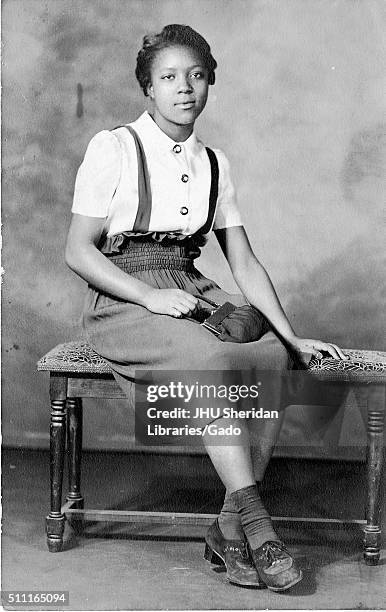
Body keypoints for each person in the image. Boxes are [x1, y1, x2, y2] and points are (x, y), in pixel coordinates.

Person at [65, 24, 347, 592]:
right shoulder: (113, 146)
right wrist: (149, 296)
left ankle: (227, 529)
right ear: (147, 86)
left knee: (269, 356)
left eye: (196, 76)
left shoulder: (215, 162)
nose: (184, 88)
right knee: (212, 361)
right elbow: (76, 251)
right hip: (124, 296)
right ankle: (258, 525)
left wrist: (291, 337)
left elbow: (244, 263)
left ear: (210, 83)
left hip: (190, 287)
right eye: (168, 77)